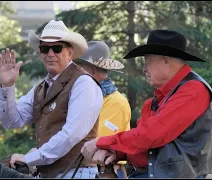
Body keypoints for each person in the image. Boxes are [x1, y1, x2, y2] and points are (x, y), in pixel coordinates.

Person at [80, 30, 212, 178]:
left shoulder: (194, 90)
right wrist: (116, 152)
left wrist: (103, 143)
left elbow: (152, 134)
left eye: (147, 61)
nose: (144, 69)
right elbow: (144, 143)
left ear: (166, 61)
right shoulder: (157, 99)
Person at [0, 20, 103, 178]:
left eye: (57, 48)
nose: (50, 54)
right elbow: (11, 121)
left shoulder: (83, 83)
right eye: (45, 48)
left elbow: (72, 133)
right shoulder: (40, 89)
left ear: (69, 52)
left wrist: (30, 159)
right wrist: (7, 86)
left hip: (78, 173)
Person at [73, 41, 131, 178]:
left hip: (106, 173)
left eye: (78, 69)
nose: (74, 74)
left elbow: (95, 143)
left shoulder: (116, 103)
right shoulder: (88, 99)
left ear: (92, 70)